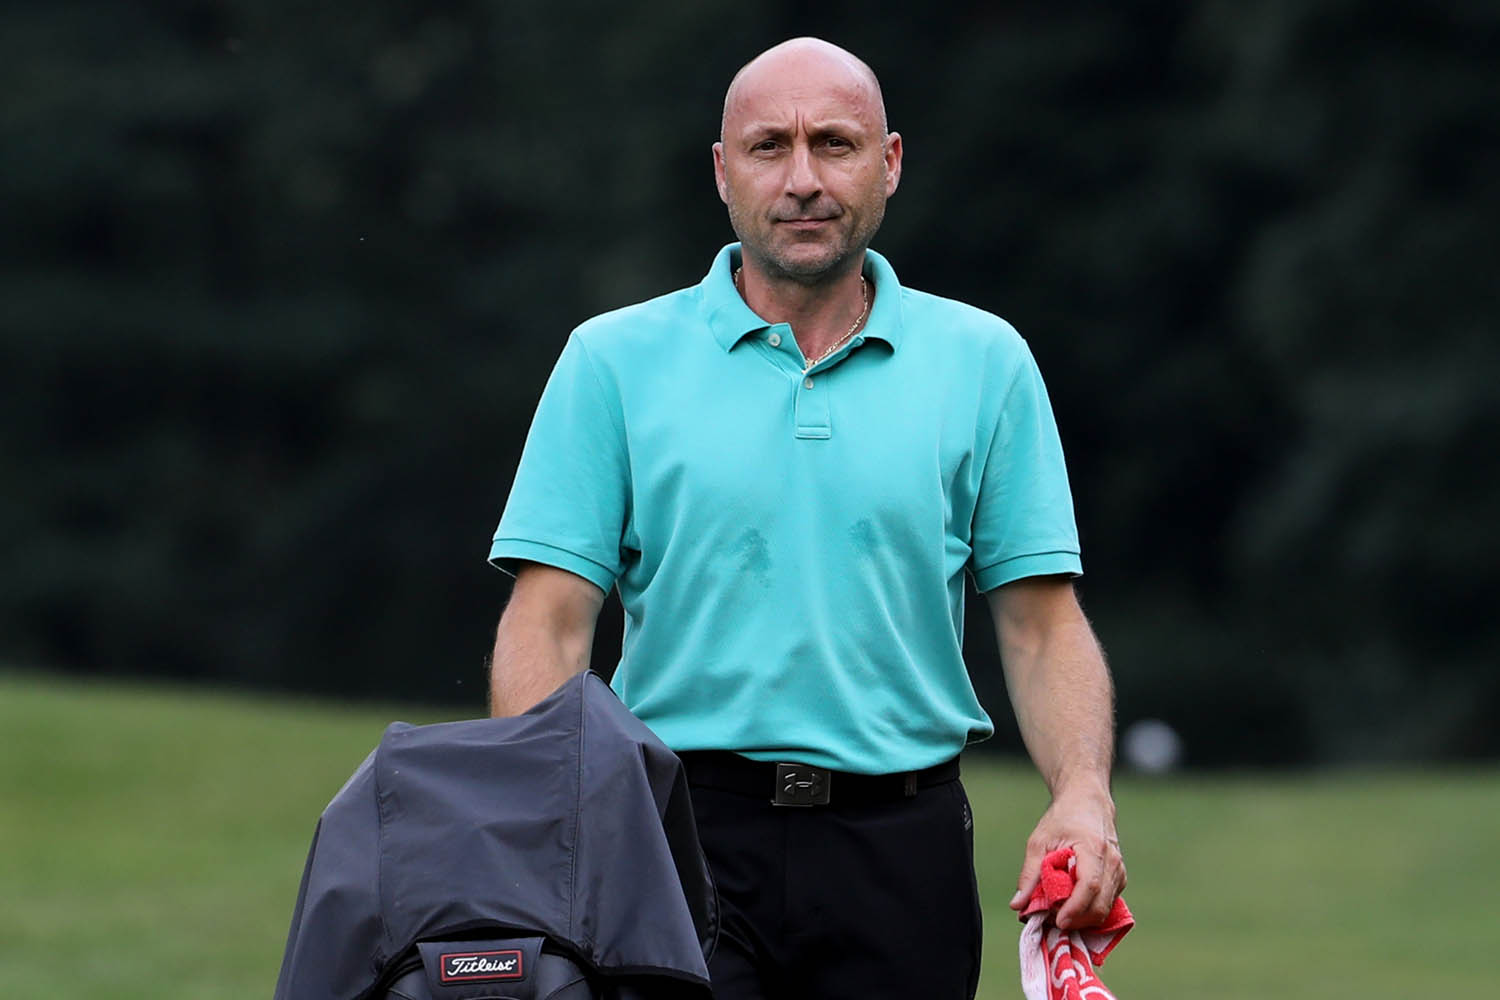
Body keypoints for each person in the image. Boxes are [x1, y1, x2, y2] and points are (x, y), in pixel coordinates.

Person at [486, 36, 1125, 1000]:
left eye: (834, 143)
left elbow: (1041, 627)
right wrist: (546, 819)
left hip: (903, 851)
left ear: (889, 163)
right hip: (674, 837)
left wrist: (1082, 795)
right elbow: (550, 621)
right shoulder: (611, 361)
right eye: (768, 147)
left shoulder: (985, 361)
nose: (802, 180)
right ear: (722, 171)